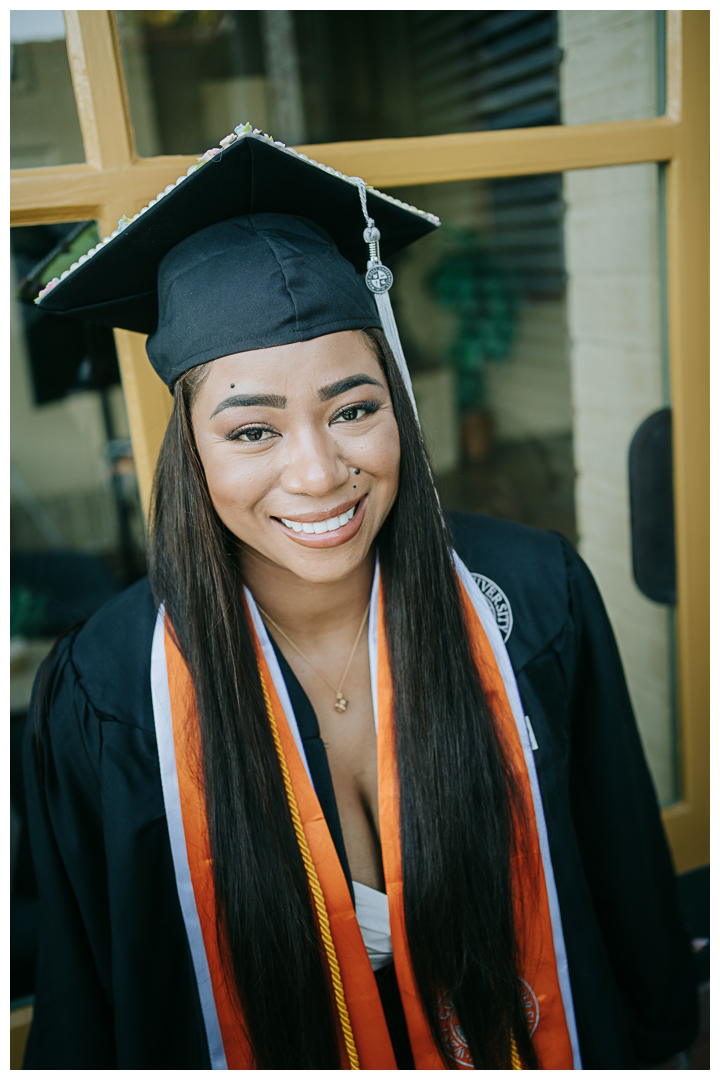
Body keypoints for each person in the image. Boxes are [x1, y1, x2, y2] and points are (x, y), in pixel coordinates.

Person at [24, 128, 697, 1070]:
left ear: (398, 406)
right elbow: (95, 1010)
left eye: (353, 409)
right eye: (253, 430)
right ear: (193, 454)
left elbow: (632, 912)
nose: (318, 473)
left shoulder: (536, 603)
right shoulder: (108, 697)